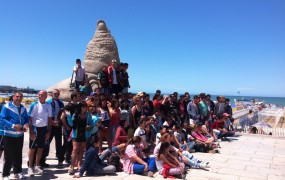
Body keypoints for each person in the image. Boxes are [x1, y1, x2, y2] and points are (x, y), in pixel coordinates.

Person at [0, 92, 29, 179]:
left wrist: (26, 124)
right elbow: (2, 119)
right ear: (13, 97)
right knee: (8, 155)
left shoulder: (23, 108)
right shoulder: (7, 107)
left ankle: (17, 172)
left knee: (18, 154)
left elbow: (26, 118)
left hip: (20, 135)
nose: (18, 98)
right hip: (9, 134)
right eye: (17, 97)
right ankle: (5, 174)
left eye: (20, 97)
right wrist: (13, 126)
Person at [28, 90, 52, 176]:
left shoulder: (48, 106)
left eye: (42, 95)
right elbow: (30, 118)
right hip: (35, 129)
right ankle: (30, 167)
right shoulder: (34, 105)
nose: (39, 96)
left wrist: (49, 131)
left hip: (44, 129)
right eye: (39, 95)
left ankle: (37, 166)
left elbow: (49, 119)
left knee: (41, 148)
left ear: (46, 96)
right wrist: (31, 132)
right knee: (32, 148)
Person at [68, 101, 94, 174]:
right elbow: (71, 124)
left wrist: (95, 122)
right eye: (83, 107)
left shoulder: (88, 115)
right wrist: (68, 116)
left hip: (85, 134)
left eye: (85, 107)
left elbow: (91, 123)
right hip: (76, 134)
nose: (84, 108)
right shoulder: (75, 114)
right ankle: (72, 166)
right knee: (75, 149)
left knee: (82, 150)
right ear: (80, 107)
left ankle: (79, 165)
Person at [42, 89, 65, 168]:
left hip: (58, 125)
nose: (56, 95)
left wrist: (59, 122)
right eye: (55, 93)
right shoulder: (47, 102)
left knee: (58, 143)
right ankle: (43, 159)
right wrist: (51, 122)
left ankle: (60, 159)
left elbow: (62, 113)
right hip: (50, 126)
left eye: (57, 94)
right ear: (52, 94)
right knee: (47, 142)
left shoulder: (61, 103)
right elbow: (45, 114)